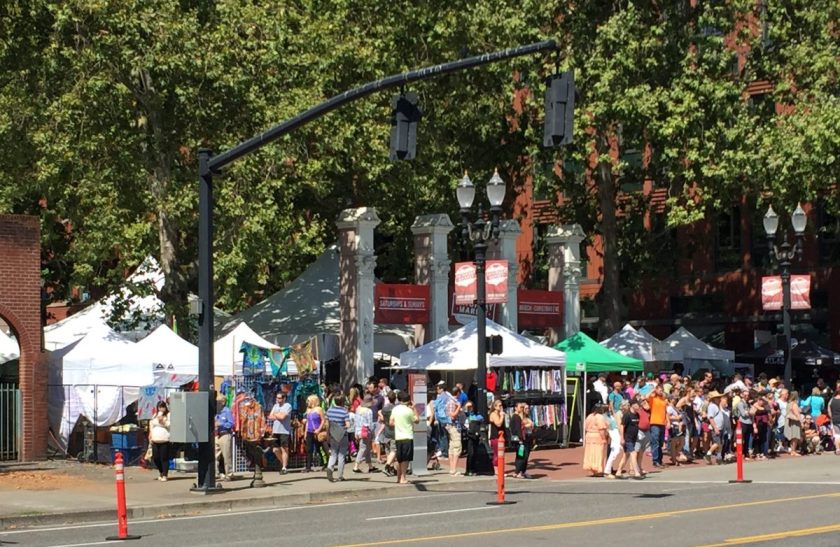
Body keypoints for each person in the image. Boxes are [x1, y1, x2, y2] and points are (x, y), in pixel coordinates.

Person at [390, 390, 419, 485]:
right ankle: (403, 477)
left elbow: (391, 422)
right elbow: (417, 420)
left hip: (398, 436)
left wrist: (398, 424)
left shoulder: (395, 409)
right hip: (407, 436)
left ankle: (398, 478)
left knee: (399, 458)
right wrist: (415, 408)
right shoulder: (409, 410)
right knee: (405, 459)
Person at [325, 394, 350, 482]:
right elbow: (348, 425)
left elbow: (327, 424)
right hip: (342, 435)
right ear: (343, 402)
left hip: (332, 434)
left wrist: (328, 434)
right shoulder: (344, 411)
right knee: (342, 455)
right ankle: (340, 475)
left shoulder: (329, 411)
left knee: (333, 453)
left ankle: (330, 468)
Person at [582, 404, 609, 477]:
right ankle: (597, 469)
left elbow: (585, 427)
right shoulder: (600, 417)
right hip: (597, 436)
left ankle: (591, 469)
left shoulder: (589, 416)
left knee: (590, 453)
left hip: (589, 435)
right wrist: (604, 439)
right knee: (598, 453)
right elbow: (601, 429)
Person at [304, 394, 328, 472]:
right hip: (309, 431)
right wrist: (305, 433)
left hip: (318, 431)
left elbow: (323, 420)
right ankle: (308, 467)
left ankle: (326, 463)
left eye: (308, 400)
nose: (307, 402)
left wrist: (319, 429)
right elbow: (307, 422)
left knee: (320, 448)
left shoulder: (319, 409)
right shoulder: (308, 410)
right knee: (309, 449)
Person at [510, 402, 534, 479]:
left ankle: (521, 471)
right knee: (522, 456)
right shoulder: (516, 417)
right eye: (521, 407)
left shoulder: (521, 417)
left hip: (523, 439)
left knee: (522, 455)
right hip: (520, 440)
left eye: (523, 408)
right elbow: (518, 429)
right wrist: (521, 440)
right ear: (516, 408)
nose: (522, 409)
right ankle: (518, 471)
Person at [270, 392, 292, 474]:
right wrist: (278, 415)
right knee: (275, 450)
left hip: (284, 431)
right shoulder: (275, 406)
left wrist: (275, 415)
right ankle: (284, 463)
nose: (278, 400)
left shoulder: (288, 406)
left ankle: (284, 467)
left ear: (284, 398)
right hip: (275, 430)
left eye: (279, 398)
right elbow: (270, 416)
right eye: (277, 398)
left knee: (284, 449)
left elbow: (283, 417)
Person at [353, 395, 376, 473]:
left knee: (366, 449)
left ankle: (370, 466)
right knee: (363, 448)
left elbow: (355, 422)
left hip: (359, 431)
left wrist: (356, 432)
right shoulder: (369, 411)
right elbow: (370, 424)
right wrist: (373, 434)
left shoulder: (358, 409)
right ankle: (356, 466)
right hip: (366, 432)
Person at [647, 383, 668, 468]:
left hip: (662, 423)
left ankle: (660, 459)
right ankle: (655, 461)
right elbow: (646, 396)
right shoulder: (653, 398)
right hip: (654, 422)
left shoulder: (663, 399)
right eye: (659, 389)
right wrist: (653, 390)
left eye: (662, 390)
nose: (661, 391)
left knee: (660, 442)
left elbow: (665, 411)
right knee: (655, 441)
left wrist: (667, 421)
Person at [149, 401, 171, 481]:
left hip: (164, 439)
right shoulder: (155, 415)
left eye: (163, 407)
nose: (161, 409)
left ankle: (165, 475)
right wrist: (150, 434)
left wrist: (163, 421)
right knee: (156, 458)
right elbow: (151, 424)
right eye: (159, 407)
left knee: (164, 458)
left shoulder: (168, 415)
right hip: (155, 439)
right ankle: (161, 472)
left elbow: (170, 425)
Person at [214, 396, 234, 480]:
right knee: (214, 456)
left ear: (223, 402)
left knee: (226, 456)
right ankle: (216, 473)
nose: (217, 403)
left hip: (225, 434)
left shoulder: (227, 411)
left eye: (218, 401)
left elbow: (231, 423)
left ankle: (229, 474)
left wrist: (221, 424)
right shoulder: (217, 411)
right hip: (217, 435)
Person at [379, 390, 398, 476]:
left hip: (386, 431)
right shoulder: (396, 408)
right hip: (395, 431)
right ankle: (388, 467)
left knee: (388, 450)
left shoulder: (385, 408)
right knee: (393, 450)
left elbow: (381, 418)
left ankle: (392, 468)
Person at [704, 391, 725, 464]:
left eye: (719, 398)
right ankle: (708, 454)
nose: (719, 399)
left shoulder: (717, 406)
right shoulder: (712, 406)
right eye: (717, 398)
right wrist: (715, 427)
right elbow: (710, 418)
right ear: (713, 399)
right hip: (716, 428)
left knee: (720, 444)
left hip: (720, 427)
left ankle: (719, 458)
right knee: (717, 443)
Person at [603, 404, 622, 478]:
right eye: (609, 408)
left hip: (616, 433)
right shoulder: (604, 417)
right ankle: (607, 471)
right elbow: (607, 427)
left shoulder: (611, 416)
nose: (610, 409)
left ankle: (608, 470)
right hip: (612, 433)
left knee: (616, 451)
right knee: (615, 452)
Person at [488, 398, 507, 469]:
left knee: (501, 454)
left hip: (501, 436)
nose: (501, 407)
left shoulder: (499, 413)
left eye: (501, 405)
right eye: (499, 406)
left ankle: (500, 468)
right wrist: (502, 416)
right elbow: (498, 424)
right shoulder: (493, 414)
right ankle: (496, 469)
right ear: (495, 406)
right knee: (497, 454)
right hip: (495, 437)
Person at [785, 391, 803, 456]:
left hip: (790, 421)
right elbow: (796, 413)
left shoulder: (789, 403)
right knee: (795, 437)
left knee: (792, 437)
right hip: (795, 422)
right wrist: (801, 421)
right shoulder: (794, 404)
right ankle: (793, 451)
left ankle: (792, 451)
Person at [829, 382, 840, 456]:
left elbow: (829, 410)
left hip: (835, 419)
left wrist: (831, 417)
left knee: (837, 435)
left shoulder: (832, 400)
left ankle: (838, 449)